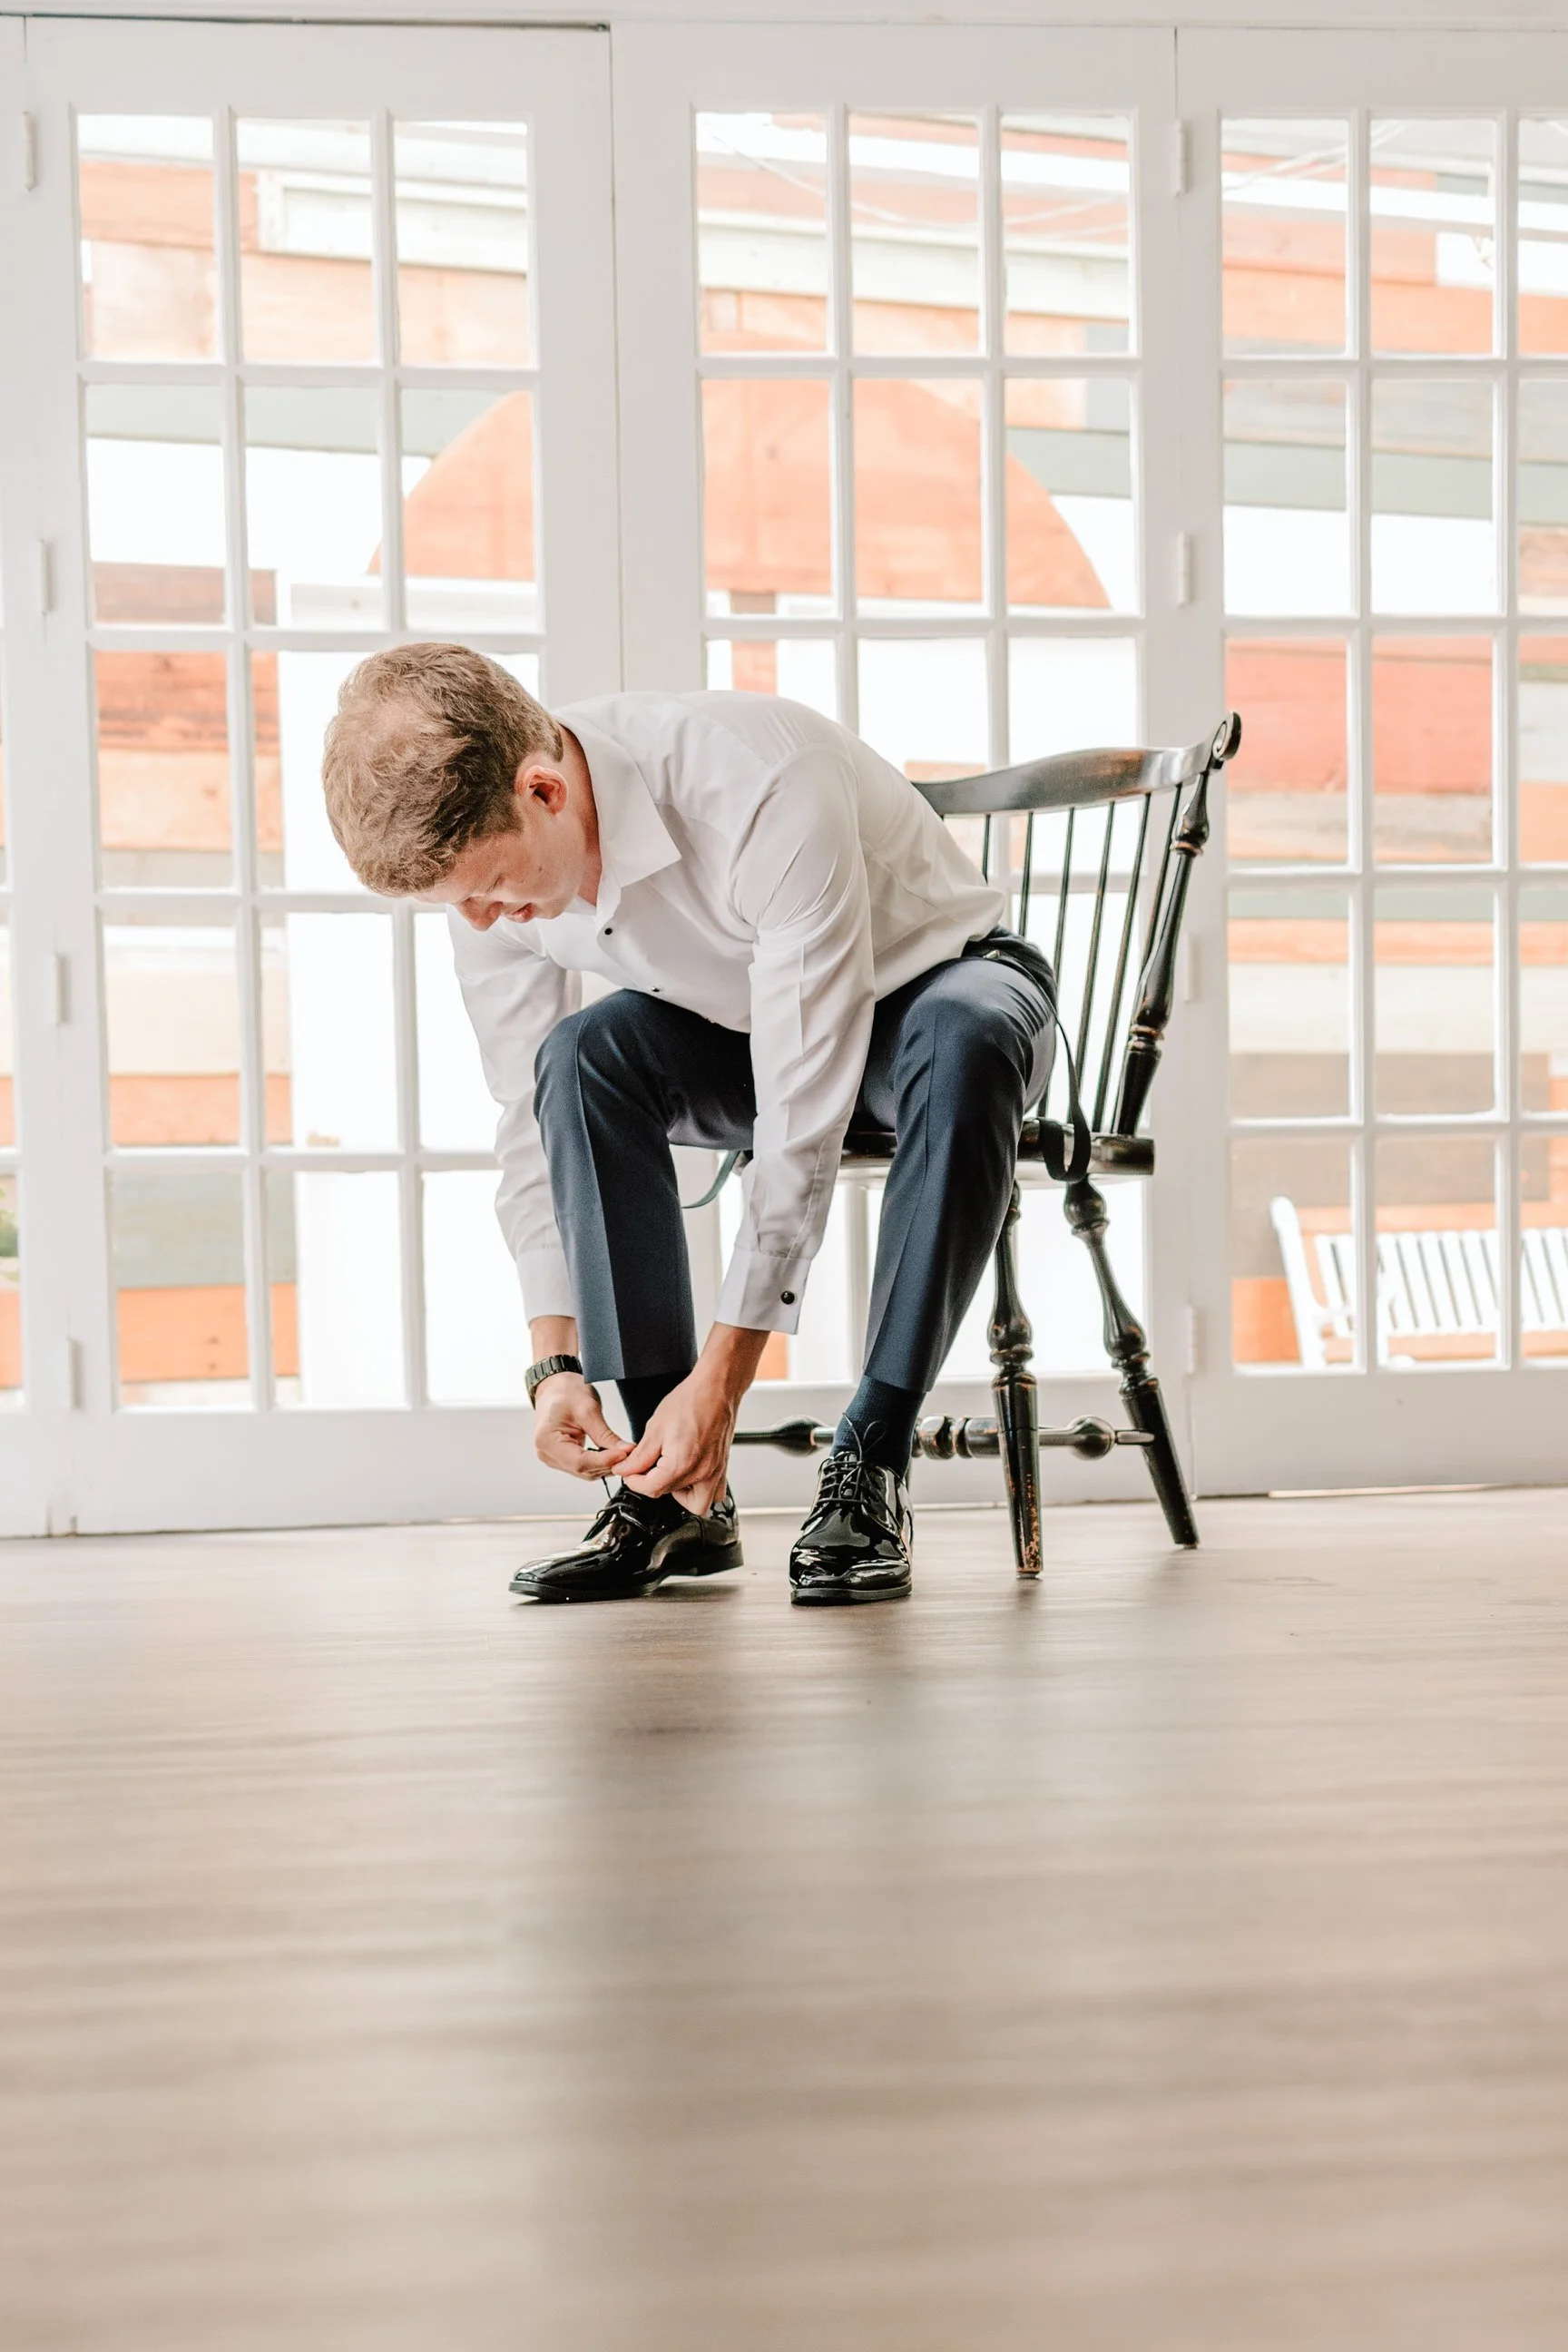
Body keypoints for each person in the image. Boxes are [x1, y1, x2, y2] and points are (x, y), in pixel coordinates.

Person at [321, 644, 1055, 1606]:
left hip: (940, 992)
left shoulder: (757, 785)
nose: (486, 922)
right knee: (579, 1058)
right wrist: (554, 1362)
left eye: (488, 888)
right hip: (743, 1028)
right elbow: (524, 1117)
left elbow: (801, 1112)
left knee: (965, 1038)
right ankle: (671, 1494)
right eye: (456, 906)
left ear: (543, 789)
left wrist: (726, 1378)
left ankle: (871, 1460)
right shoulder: (490, 886)